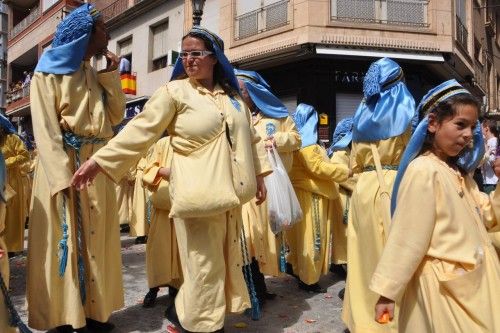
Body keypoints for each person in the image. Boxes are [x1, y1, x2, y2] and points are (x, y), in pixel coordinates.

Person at [71, 26, 271, 333]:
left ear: (214, 58)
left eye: (197, 53)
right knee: (204, 268)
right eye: (185, 54)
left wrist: (259, 176)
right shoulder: (174, 92)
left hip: (231, 197)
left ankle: (201, 321)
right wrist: (99, 161)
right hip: (198, 196)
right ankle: (202, 326)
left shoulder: (232, 98)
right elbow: (141, 130)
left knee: (220, 265)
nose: (189, 60)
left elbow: (251, 138)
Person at [371, 79, 500, 332]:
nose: (468, 134)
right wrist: (388, 293)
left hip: (474, 286)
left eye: (472, 127)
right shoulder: (423, 170)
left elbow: (488, 215)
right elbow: (407, 237)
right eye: (460, 125)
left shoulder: (460, 174)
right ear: (432, 124)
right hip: (442, 291)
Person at [27, 4, 125, 332]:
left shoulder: (94, 74)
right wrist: (61, 180)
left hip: (94, 165)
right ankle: (64, 317)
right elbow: (45, 128)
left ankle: (94, 313)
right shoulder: (46, 73)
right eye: (103, 29)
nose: (108, 35)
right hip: (65, 167)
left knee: (98, 241)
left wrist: (111, 77)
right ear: (86, 33)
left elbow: (114, 118)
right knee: (63, 240)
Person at [341, 58, 416, 333]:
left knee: (362, 258)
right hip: (395, 185)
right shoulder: (410, 112)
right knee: (393, 256)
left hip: (364, 189)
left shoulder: (361, 114)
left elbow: (354, 163)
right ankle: (389, 324)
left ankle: (361, 319)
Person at [235, 69, 301, 305]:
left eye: (241, 90)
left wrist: (277, 141)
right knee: (249, 237)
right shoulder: (237, 115)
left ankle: (259, 285)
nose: (239, 94)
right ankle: (252, 288)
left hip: (269, 187)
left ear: (254, 92)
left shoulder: (279, 116)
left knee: (265, 237)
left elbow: (296, 139)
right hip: (244, 187)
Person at [285, 103, 349, 293]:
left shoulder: (296, 143)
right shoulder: (308, 145)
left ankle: (297, 268)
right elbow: (318, 168)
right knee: (314, 238)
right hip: (312, 194)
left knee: (301, 237)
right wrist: (346, 171)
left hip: (301, 192)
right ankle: (309, 279)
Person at [141, 136, 182, 308]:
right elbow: (148, 169)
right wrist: (166, 171)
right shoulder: (162, 143)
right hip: (162, 210)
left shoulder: (194, 138)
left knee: (182, 253)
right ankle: (154, 288)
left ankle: (178, 288)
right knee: (158, 250)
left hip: (186, 210)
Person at [327, 117, 357, 282]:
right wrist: (361, 183)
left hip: (346, 197)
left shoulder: (347, 151)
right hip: (343, 199)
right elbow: (343, 176)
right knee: (344, 234)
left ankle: (338, 263)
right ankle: (341, 263)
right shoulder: (339, 154)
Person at [0, 116, 29, 256]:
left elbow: (24, 155)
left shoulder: (13, 139)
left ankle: (10, 247)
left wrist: (5, 163)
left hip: (11, 182)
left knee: (10, 215)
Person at [481, 118, 498, 193]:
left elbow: (493, 160)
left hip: (492, 182)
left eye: (481, 129)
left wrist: (486, 151)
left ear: (486, 129)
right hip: (487, 181)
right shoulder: (489, 142)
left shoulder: (494, 142)